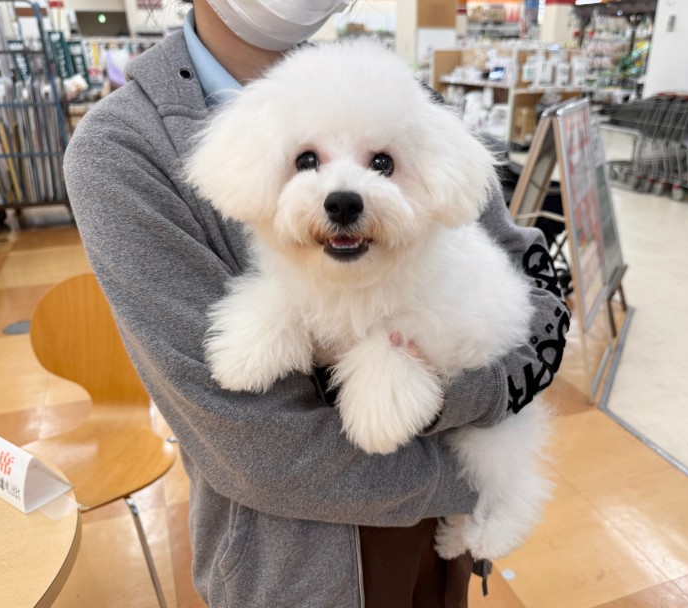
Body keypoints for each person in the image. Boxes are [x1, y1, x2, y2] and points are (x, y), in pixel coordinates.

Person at [62, 1, 570, 606]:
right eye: (307, 162)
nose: (343, 191)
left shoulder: (403, 97)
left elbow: (529, 281)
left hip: (435, 543)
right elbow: (254, 450)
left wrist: (475, 418)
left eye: (381, 164)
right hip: (291, 572)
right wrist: (466, 483)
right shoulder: (121, 148)